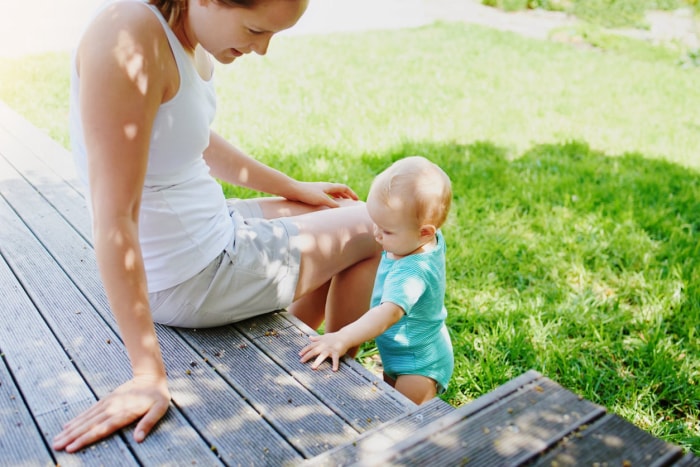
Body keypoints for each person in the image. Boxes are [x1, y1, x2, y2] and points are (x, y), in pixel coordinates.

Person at [52, 0, 381, 453]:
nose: (262, 50)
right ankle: (342, 388)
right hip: (192, 273)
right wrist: (148, 374)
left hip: (207, 230)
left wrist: (294, 188)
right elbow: (114, 218)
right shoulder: (128, 40)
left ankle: (291, 345)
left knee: (335, 211)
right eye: (254, 29)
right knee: (373, 226)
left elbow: (193, 135)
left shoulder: (179, 30)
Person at [299, 156, 454, 405]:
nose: (376, 233)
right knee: (387, 403)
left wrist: (342, 337)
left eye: (387, 230)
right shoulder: (416, 240)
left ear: (425, 232)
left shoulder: (412, 272)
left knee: (401, 420)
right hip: (398, 352)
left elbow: (386, 315)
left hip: (419, 366)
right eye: (376, 223)